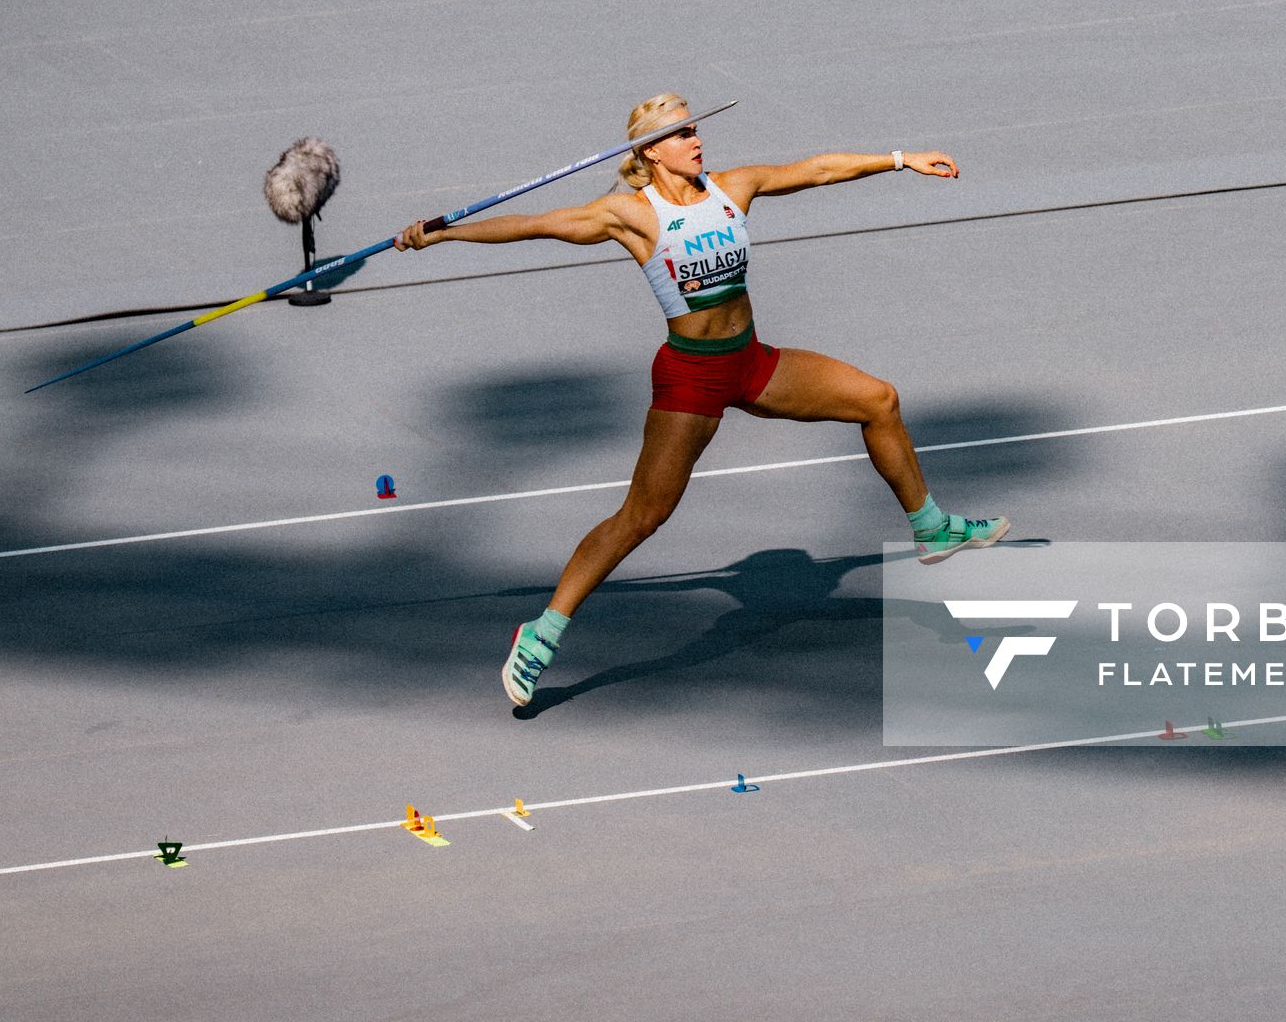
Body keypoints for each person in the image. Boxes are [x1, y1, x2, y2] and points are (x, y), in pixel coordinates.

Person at [395, 93, 1009, 706]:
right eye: (682, 133)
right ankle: (541, 633)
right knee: (643, 516)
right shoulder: (633, 215)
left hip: (752, 363)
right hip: (691, 379)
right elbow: (537, 225)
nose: (696, 140)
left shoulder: (731, 189)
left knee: (879, 400)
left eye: (695, 130)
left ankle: (932, 529)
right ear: (650, 150)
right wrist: (446, 236)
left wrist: (901, 159)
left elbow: (818, 169)